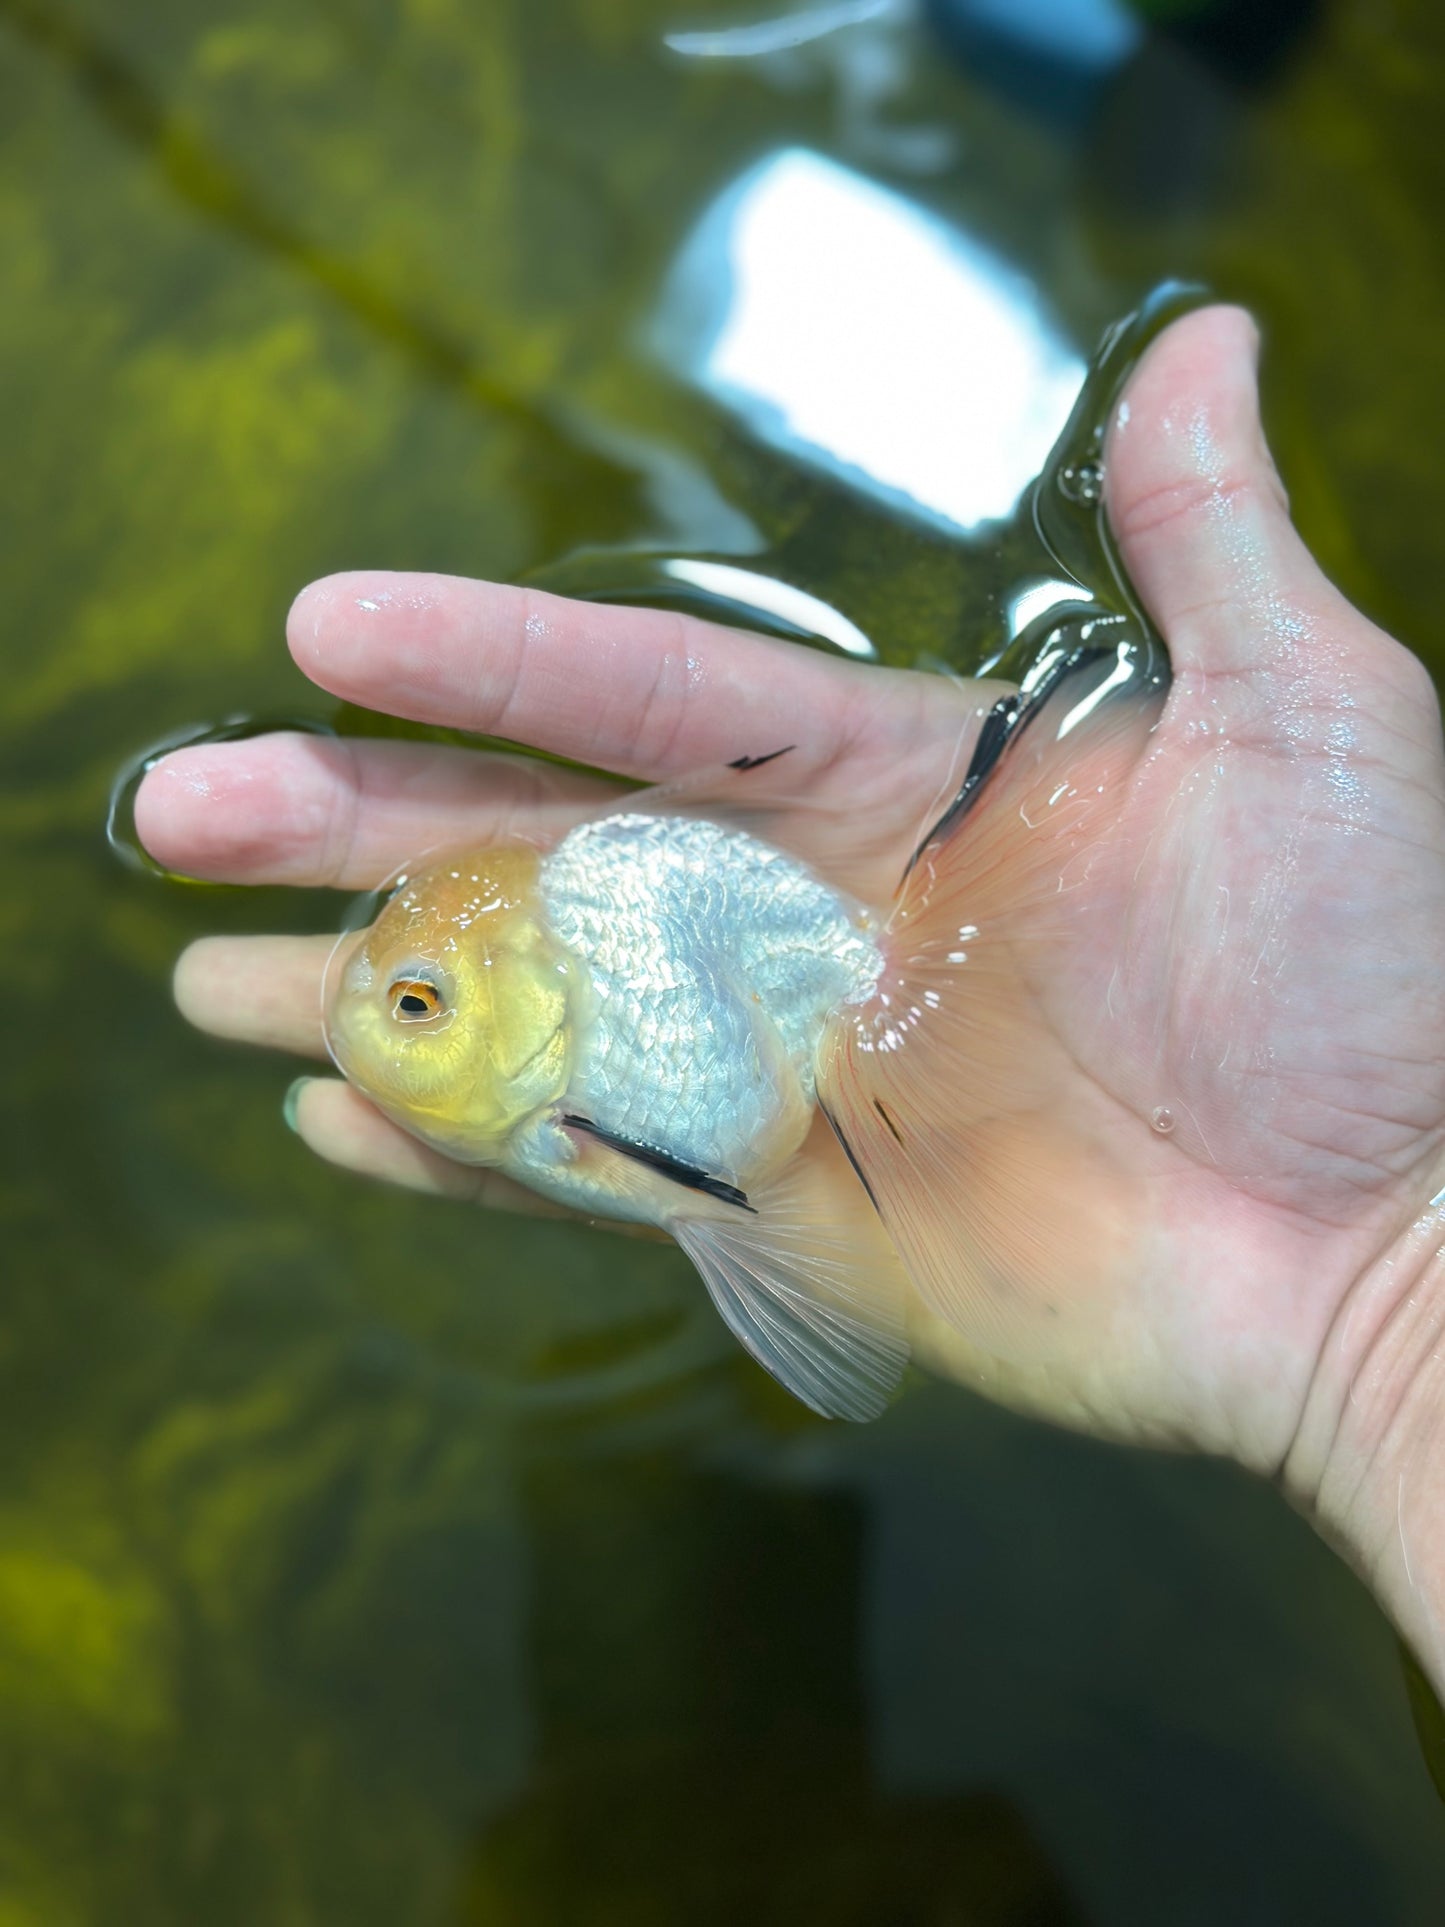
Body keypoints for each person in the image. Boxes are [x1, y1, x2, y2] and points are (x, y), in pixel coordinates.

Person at [135, 306, 1445, 1700]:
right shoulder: (563, 1036)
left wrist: (1389, 1272)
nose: (389, 1014)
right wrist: (1388, 1289)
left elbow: (726, 1181)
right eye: (408, 993)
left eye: (416, 1004)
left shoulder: (581, 1094)